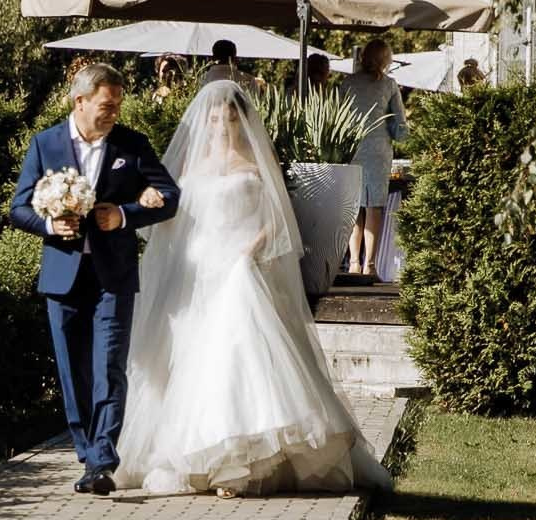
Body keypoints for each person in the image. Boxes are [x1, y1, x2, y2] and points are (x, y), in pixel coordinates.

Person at [114, 80, 392, 498]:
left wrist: (251, 250)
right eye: (213, 118)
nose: (220, 125)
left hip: (240, 265)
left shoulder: (256, 162)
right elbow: (178, 215)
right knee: (190, 359)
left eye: (227, 118)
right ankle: (195, 455)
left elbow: (278, 220)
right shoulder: (191, 165)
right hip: (198, 268)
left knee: (239, 355)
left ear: (241, 119)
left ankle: (239, 462)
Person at [8, 63, 183, 496]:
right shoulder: (45, 143)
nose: (114, 113)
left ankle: (103, 459)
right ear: (80, 101)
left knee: (109, 366)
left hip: (114, 276)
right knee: (74, 373)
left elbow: (172, 198)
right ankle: (88, 455)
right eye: (107, 105)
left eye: (118, 105)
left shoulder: (132, 145)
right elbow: (18, 207)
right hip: (62, 277)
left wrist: (124, 214)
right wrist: (50, 227)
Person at [334, 39, 408, 284]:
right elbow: (400, 125)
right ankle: (370, 264)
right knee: (374, 206)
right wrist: (403, 138)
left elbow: (335, 115)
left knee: (354, 205)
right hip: (377, 150)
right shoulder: (389, 85)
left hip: (352, 148)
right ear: (385, 59)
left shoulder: (347, 83)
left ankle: (354, 261)